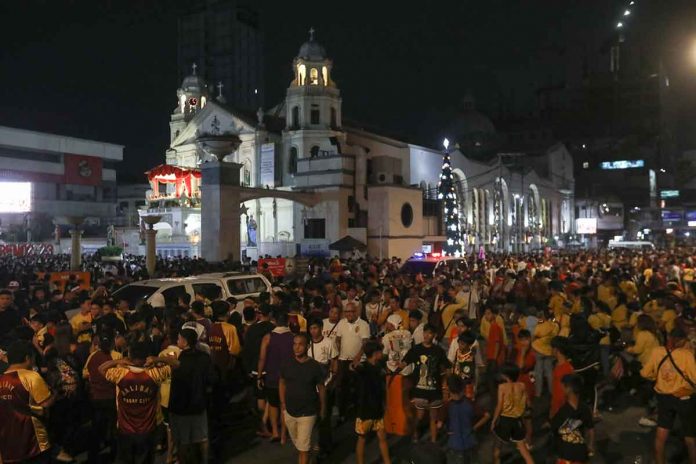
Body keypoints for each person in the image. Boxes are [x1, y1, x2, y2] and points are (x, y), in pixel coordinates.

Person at [100, 341, 179, 464]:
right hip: (147, 431)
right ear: (146, 356)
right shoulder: (155, 373)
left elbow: (101, 368)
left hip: (125, 430)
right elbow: (176, 364)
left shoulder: (121, 373)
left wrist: (118, 361)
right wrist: (157, 358)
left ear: (130, 355)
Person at [640, 327, 696, 464]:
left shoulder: (657, 351)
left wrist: (657, 377)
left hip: (664, 398)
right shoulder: (686, 354)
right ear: (682, 340)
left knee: (661, 434)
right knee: (690, 438)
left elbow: (645, 373)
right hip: (684, 398)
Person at [0, 340, 55, 464]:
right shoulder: (31, 376)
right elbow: (45, 404)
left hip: (7, 442)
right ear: (27, 358)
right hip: (33, 441)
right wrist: (55, 394)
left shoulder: (1, 379)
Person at [169, 327, 216, 464]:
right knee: (202, 437)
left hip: (181, 405)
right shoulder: (204, 357)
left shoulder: (178, 359)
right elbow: (212, 378)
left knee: (183, 440)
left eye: (179, 338)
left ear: (184, 341)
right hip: (199, 403)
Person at [279, 333, 326, 464]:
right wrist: (283, 403)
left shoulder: (314, 366)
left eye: (300, 344)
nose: (297, 347)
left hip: (308, 412)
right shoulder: (287, 364)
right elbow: (282, 382)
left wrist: (323, 408)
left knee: (303, 448)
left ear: (307, 346)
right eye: (295, 344)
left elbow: (321, 388)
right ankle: (312, 456)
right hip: (290, 411)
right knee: (300, 446)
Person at [401, 324, 451, 443]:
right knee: (419, 416)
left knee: (433, 418)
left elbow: (448, 367)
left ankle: (433, 441)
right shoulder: (416, 349)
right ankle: (415, 434)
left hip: (434, 391)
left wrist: (446, 382)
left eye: (429, 333)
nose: (426, 335)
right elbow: (404, 362)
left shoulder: (438, 351)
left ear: (434, 335)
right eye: (425, 332)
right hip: (420, 391)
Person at [83, 333, 122, 463]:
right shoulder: (116, 356)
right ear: (112, 343)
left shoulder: (92, 356)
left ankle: (92, 457)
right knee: (113, 428)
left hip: (96, 398)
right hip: (110, 397)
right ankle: (114, 456)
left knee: (96, 428)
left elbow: (85, 373)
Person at [258, 310, 294, 442]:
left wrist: (259, 375)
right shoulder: (293, 337)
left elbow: (262, 358)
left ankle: (275, 432)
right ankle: (285, 433)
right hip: (288, 377)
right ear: (287, 321)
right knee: (285, 405)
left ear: (274, 321)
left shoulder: (268, 337)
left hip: (272, 376)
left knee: (273, 405)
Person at [354, 340, 391, 464]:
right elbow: (354, 365)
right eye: (380, 351)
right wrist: (361, 350)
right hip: (365, 410)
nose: (382, 353)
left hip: (377, 409)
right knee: (362, 438)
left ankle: (387, 462)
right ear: (375, 353)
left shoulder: (379, 366)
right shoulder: (363, 367)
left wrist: (385, 405)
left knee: (382, 437)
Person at [490, 364, 534, 464]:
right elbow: (528, 403)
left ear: (505, 376)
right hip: (517, 420)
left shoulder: (502, 387)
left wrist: (494, 421)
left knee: (497, 449)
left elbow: (499, 406)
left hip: (505, 421)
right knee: (524, 451)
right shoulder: (522, 385)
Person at [334, 301, 370, 421]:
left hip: (359, 362)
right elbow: (338, 339)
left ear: (356, 312)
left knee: (360, 388)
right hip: (343, 360)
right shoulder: (341, 323)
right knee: (342, 388)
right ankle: (342, 414)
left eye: (351, 311)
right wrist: (337, 352)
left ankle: (360, 414)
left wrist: (357, 358)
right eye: (346, 312)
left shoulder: (363, 324)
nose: (349, 314)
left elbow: (365, 343)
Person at [308, 318, 338, 457]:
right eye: (311, 328)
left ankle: (324, 444)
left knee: (324, 416)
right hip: (310, 387)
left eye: (315, 328)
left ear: (320, 328)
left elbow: (334, 363)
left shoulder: (329, 343)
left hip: (325, 385)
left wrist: (331, 381)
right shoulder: (307, 344)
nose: (313, 331)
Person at [551, 374, 595, 464]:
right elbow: (591, 429)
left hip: (566, 454)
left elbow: (555, 431)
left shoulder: (562, 412)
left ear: (568, 389)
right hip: (581, 453)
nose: (562, 389)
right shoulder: (585, 408)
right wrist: (590, 445)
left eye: (563, 387)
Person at [446, 374, 490, 464]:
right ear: (463, 389)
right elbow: (487, 415)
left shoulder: (448, 406)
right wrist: (474, 427)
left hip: (454, 444)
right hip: (470, 442)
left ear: (449, 390)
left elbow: (438, 423)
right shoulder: (469, 404)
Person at [532, 308, 559, 398]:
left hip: (538, 349)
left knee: (538, 372)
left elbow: (534, 334)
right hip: (549, 351)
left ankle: (538, 393)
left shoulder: (540, 326)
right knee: (549, 373)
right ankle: (552, 392)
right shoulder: (554, 326)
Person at [550, 337, 575, 419]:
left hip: (561, 409)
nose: (551, 350)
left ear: (556, 350)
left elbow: (563, 394)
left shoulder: (565, 369)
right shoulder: (558, 365)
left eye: (552, 348)